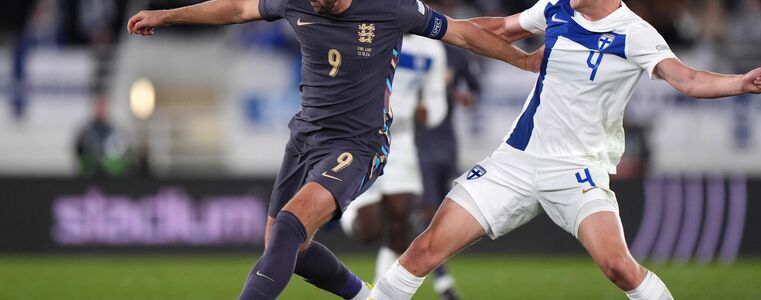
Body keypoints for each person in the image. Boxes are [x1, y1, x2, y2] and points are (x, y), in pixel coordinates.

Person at [127, 0, 540, 299]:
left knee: (291, 225)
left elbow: (463, 33)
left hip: (359, 145)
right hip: (304, 137)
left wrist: (522, 62)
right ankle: (364, 297)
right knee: (285, 246)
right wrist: (167, 15)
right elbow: (236, 9)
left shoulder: (391, 8)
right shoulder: (296, 3)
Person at [370, 1, 761, 299]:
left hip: (577, 170)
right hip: (516, 161)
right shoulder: (556, 8)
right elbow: (501, 27)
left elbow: (687, 79)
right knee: (423, 249)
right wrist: (429, 26)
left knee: (619, 267)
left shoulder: (634, 33)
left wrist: (739, 83)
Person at [339, 32, 447, 293]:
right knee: (370, 229)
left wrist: (429, 113)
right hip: (361, 137)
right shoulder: (369, 31)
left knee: (401, 219)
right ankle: (343, 209)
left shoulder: (431, 49)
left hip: (402, 140)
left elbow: (436, 99)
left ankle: (380, 293)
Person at [411, 43, 482, 300]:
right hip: (416, 144)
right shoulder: (410, 50)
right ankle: (442, 281)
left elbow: (475, 89)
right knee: (429, 211)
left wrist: (464, 96)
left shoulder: (457, 55)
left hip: (447, 143)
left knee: (449, 209)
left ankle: (430, 266)